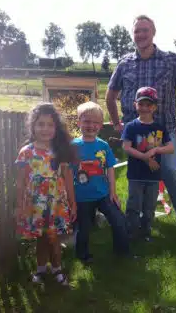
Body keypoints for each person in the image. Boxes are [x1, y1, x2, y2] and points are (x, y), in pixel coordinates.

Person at [106, 14, 176, 229]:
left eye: (145, 30)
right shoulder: (124, 63)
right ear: (133, 35)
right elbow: (110, 95)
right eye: (137, 31)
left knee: (171, 172)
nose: (141, 34)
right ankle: (138, 220)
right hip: (136, 134)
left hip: (165, 131)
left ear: (153, 32)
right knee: (137, 177)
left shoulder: (170, 60)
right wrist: (117, 123)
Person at [15, 103, 77, 285]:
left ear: (56, 128)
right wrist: (19, 206)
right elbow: (20, 182)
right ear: (32, 127)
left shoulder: (60, 152)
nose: (45, 129)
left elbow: (67, 179)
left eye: (50, 125)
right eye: (40, 124)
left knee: (54, 238)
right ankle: (41, 270)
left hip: (57, 204)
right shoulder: (26, 153)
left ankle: (58, 270)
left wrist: (73, 203)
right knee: (40, 239)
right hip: (35, 205)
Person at [72, 101, 129, 263]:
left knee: (118, 220)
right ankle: (83, 256)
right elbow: (66, 172)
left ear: (100, 125)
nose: (91, 125)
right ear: (79, 122)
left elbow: (110, 168)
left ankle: (123, 252)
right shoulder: (73, 147)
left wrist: (113, 192)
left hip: (103, 194)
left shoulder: (103, 146)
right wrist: (69, 198)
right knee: (84, 228)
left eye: (96, 122)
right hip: (81, 197)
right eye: (86, 121)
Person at [121, 87, 174, 241]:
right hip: (136, 175)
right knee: (134, 205)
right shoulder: (131, 126)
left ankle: (146, 232)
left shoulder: (159, 127)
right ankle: (131, 232)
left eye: (148, 104)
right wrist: (145, 157)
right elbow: (126, 147)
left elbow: (170, 148)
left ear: (154, 107)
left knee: (149, 207)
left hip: (153, 175)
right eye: (141, 104)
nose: (144, 108)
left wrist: (156, 149)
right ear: (135, 105)